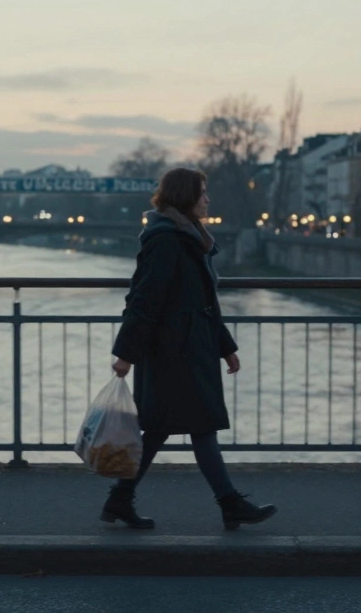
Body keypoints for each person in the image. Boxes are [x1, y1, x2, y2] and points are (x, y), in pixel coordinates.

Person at [101, 167, 277, 531]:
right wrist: (126, 354)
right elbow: (146, 299)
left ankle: (120, 500)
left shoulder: (187, 236)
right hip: (174, 351)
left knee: (161, 429)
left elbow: (201, 300)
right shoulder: (167, 239)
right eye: (202, 193)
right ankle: (230, 504)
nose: (208, 199)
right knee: (202, 425)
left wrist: (225, 346)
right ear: (184, 197)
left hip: (187, 346)